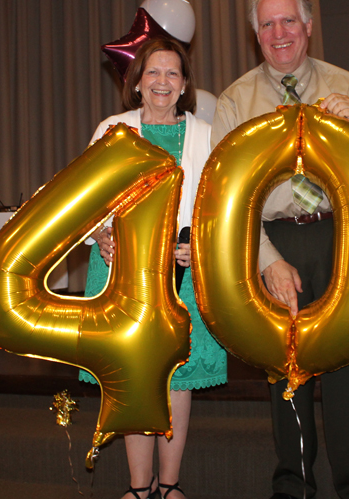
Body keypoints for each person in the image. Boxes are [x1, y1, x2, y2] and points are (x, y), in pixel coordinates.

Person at [211, 0, 349, 499]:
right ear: (255, 35)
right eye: (267, 25)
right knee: (287, 370)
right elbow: (220, 196)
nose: (279, 33)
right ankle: (294, 484)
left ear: (309, 26)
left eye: (288, 21)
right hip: (274, 243)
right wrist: (266, 258)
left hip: (345, 237)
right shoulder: (235, 100)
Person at [80, 37, 228, 499]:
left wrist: (200, 246)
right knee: (132, 379)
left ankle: (170, 485)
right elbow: (85, 200)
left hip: (184, 275)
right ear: (136, 82)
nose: (162, 81)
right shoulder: (112, 129)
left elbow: (220, 207)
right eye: (153, 73)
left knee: (176, 381)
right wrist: (101, 234)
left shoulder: (206, 133)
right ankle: (138, 488)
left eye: (173, 73)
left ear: (185, 85)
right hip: (118, 273)